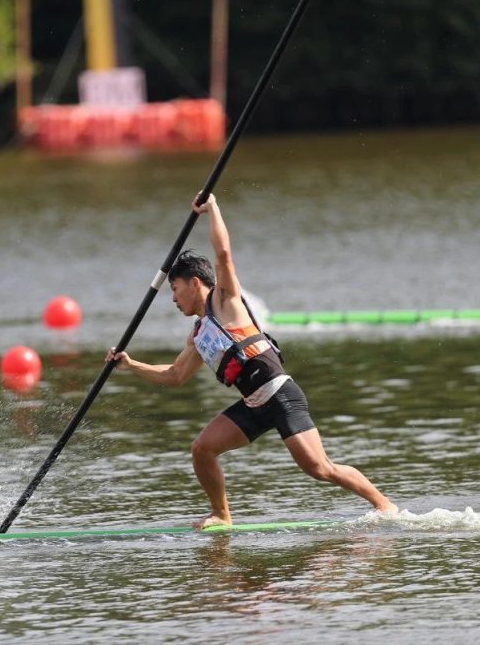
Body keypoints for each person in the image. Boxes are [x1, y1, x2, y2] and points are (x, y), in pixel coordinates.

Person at [107, 193, 396, 530]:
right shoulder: (198, 334)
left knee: (319, 469)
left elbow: (223, 253)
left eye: (175, 289)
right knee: (201, 449)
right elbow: (174, 375)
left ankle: (384, 504)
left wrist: (212, 209)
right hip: (253, 404)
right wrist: (131, 366)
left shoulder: (225, 299)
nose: (172, 298)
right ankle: (221, 515)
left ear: (194, 283)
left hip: (280, 394)